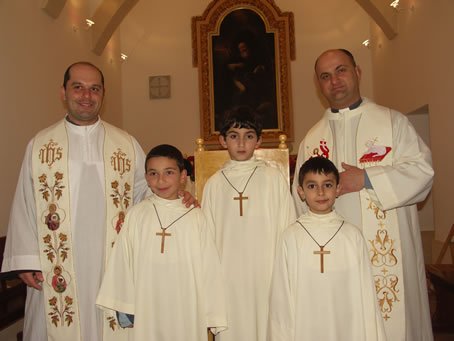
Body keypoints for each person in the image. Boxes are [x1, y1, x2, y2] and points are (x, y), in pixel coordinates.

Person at [0, 62, 195, 341]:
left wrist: (177, 197)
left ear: (103, 95)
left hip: (112, 263)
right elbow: (25, 204)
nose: (86, 95)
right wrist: (27, 260)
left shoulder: (125, 144)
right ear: (63, 92)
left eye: (94, 89)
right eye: (77, 87)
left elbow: (148, 193)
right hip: (57, 267)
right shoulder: (41, 145)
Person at [291, 49, 434, 341]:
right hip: (332, 258)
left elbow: (423, 172)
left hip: (386, 259)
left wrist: (367, 178)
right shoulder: (311, 139)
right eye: (325, 76)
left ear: (357, 72)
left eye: (341, 70)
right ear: (319, 85)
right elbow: (297, 203)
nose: (335, 81)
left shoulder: (393, 124)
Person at [96, 144, 227, 340]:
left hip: (186, 303)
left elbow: (209, 266)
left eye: (169, 172)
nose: (161, 180)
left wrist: (212, 312)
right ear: (147, 178)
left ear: (183, 176)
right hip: (146, 302)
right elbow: (123, 261)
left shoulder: (195, 216)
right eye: (154, 174)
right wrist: (126, 307)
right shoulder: (137, 214)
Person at [202, 106, 296, 341]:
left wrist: (285, 273)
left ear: (259, 141)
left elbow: (288, 226)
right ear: (223, 141)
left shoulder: (273, 178)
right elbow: (207, 238)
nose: (241, 143)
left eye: (249, 136)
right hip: (228, 277)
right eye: (234, 136)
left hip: (267, 273)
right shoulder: (214, 184)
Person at [268, 157, 387, 341]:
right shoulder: (290, 237)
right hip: (304, 325)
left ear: (338, 189)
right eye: (312, 186)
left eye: (328, 185)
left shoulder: (352, 235)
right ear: (301, 192)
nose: (321, 192)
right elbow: (281, 298)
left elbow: (366, 294)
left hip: (346, 324)